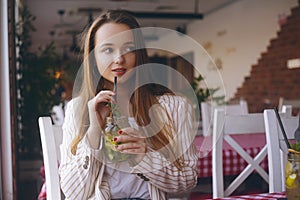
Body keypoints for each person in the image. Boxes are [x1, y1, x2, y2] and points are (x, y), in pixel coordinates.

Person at [59, 9, 199, 200]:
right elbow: (74, 194)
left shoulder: (174, 107)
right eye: (108, 50)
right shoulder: (78, 109)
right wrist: (93, 132)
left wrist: (145, 156)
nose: (119, 59)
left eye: (128, 49)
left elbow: (187, 183)